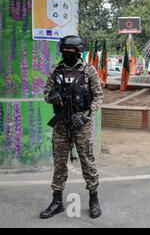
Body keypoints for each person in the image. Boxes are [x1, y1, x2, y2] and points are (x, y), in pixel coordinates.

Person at [40, 36, 104, 219]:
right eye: (65, 52)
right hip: (61, 124)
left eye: (71, 52)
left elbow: (99, 97)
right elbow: (46, 93)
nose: (67, 55)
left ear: (78, 52)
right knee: (59, 164)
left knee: (87, 162)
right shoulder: (56, 70)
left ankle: (93, 199)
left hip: (81, 124)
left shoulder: (88, 70)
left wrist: (85, 116)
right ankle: (57, 201)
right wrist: (52, 96)